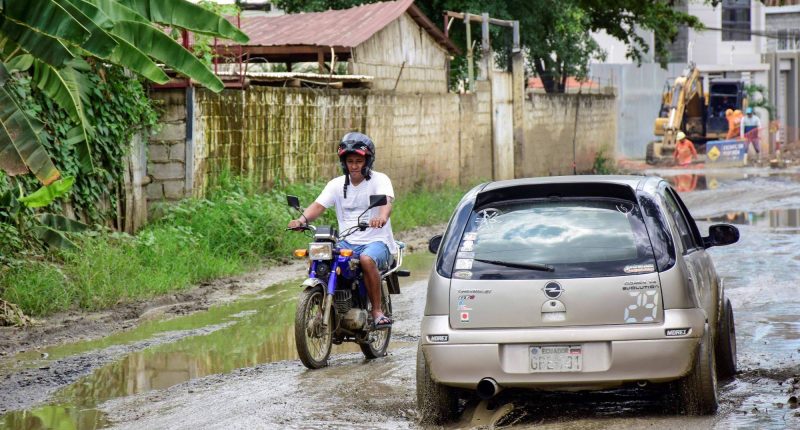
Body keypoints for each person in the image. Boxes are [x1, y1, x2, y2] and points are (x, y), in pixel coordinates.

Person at [287, 132, 396, 329]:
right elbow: (318, 206)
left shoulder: (380, 180)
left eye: (358, 161)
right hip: (347, 240)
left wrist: (381, 217)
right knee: (320, 256)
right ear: (343, 162)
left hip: (377, 240)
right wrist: (301, 220)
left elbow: (386, 202)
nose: (354, 165)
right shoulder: (336, 184)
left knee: (366, 259)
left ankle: (377, 311)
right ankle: (324, 303)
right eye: (350, 161)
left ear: (367, 161)